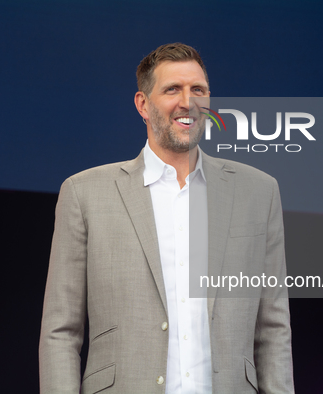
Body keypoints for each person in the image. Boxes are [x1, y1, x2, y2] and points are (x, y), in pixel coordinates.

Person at [39, 43, 294, 393]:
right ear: (143, 105)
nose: (187, 102)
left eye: (198, 90)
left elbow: (274, 329)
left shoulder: (258, 192)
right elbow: (60, 332)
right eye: (172, 89)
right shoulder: (85, 193)